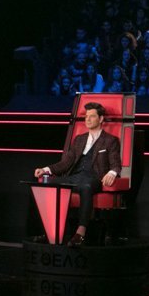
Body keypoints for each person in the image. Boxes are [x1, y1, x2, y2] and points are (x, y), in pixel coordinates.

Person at [33, 102, 121, 246]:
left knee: (86, 187)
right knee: (44, 183)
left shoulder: (110, 140)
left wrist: (112, 172)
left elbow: (116, 164)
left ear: (100, 119)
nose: (88, 119)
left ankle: (80, 233)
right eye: (86, 116)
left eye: (92, 116)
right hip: (74, 178)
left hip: (94, 178)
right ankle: (49, 231)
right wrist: (46, 170)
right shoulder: (79, 139)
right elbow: (65, 163)